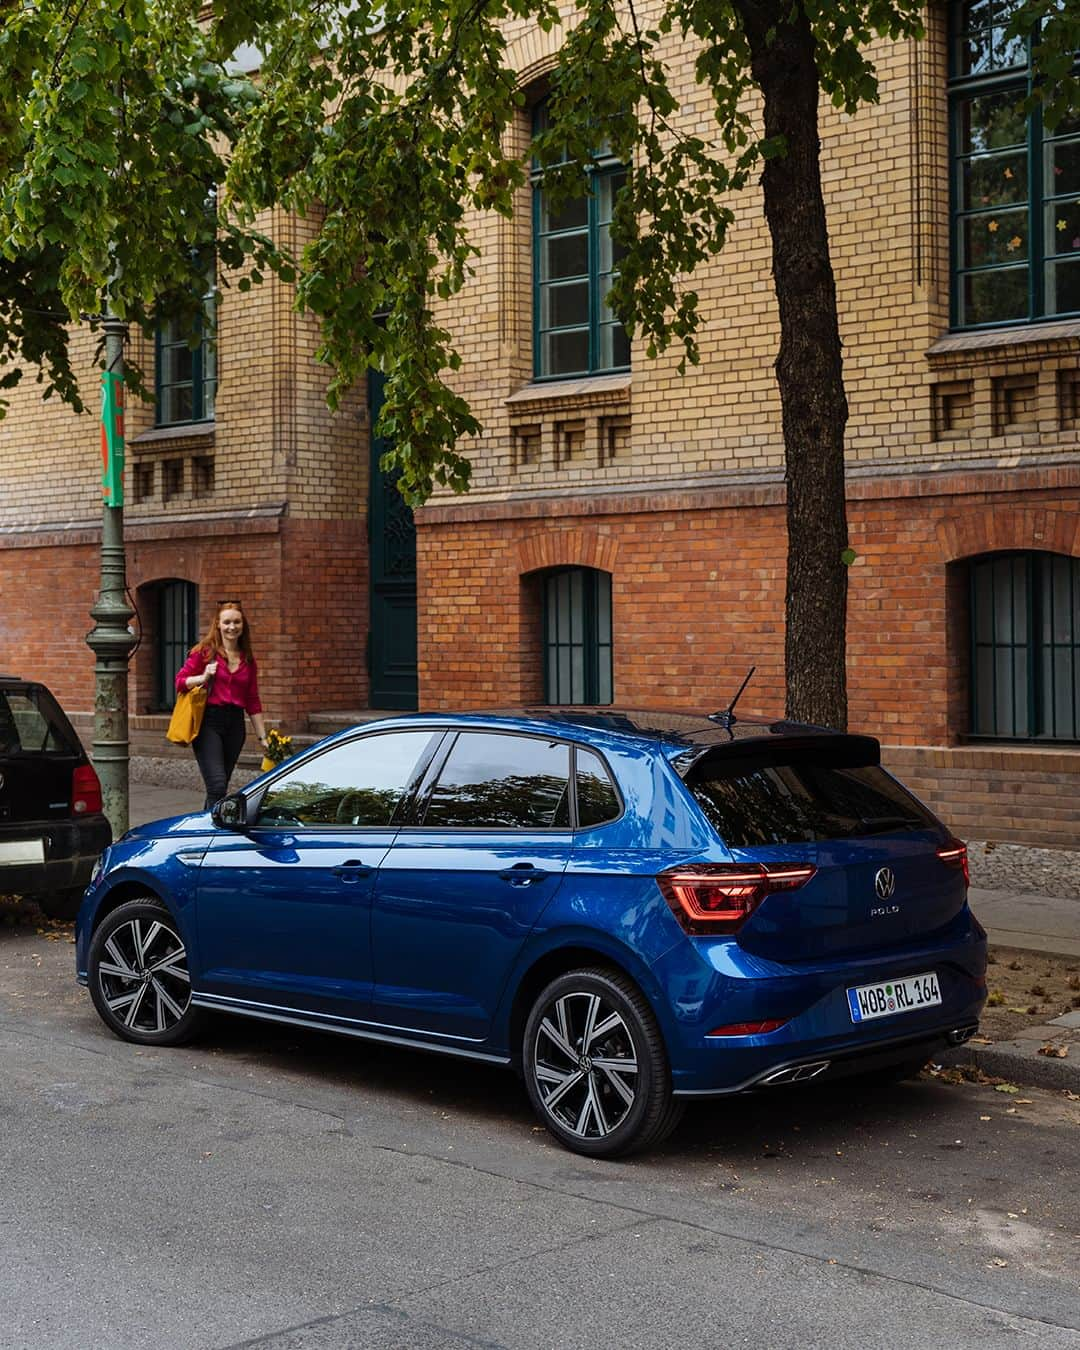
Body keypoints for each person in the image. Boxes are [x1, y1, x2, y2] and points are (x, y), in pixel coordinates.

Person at [175, 599, 269, 809]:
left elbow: (252, 700)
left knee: (219, 786)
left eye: (237, 622)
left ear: (243, 625)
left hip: (235, 725)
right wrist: (203, 676)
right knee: (217, 786)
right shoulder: (204, 653)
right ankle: (212, 829)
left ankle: (205, 828)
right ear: (217, 624)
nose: (232, 627)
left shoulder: (248, 660)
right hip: (209, 723)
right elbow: (180, 682)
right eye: (227, 622)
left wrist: (263, 737)